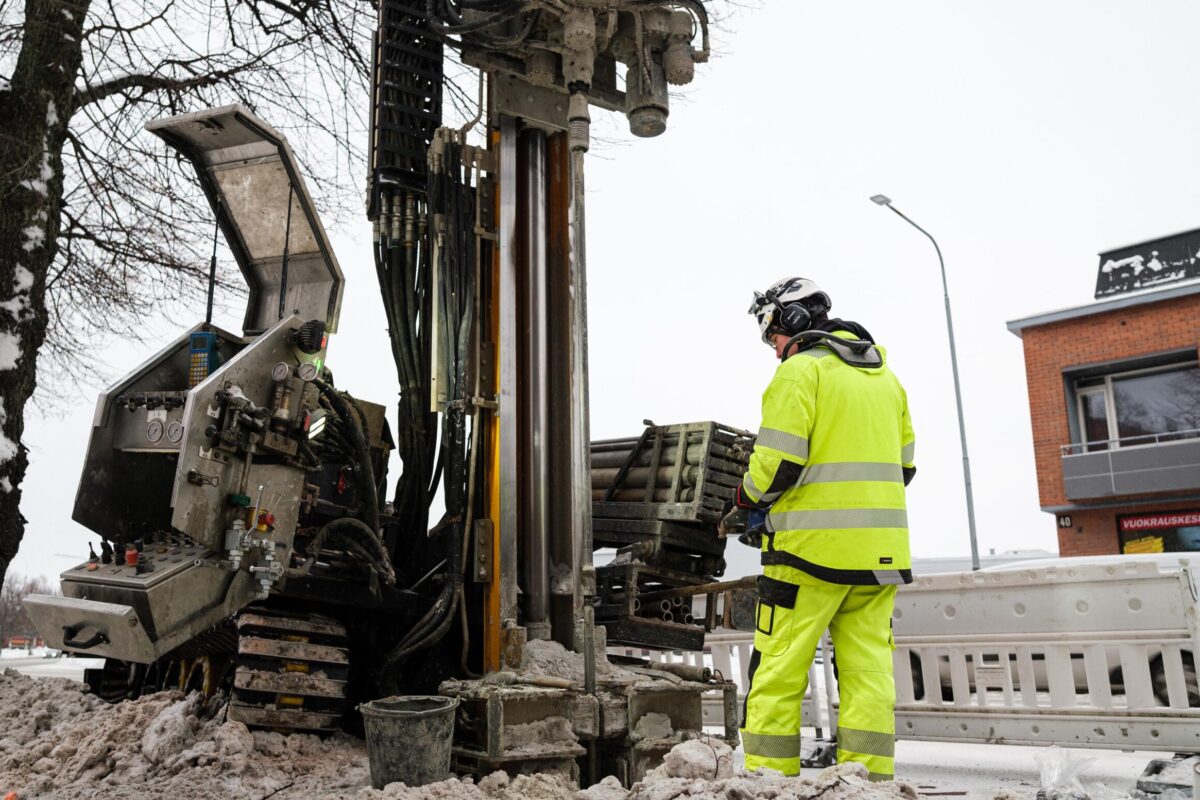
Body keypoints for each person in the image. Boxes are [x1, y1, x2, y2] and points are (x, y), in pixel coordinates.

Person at [727, 276, 916, 781]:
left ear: (791, 320)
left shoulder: (799, 374)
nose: (774, 350)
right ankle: (869, 783)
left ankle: (768, 781)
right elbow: (904, 468)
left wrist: (746, 496)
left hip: (805, 559)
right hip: (880, 559)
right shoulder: (887, 380)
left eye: (772, 336)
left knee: (778, 672)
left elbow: (778, 464)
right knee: (869, 674)